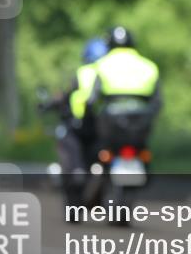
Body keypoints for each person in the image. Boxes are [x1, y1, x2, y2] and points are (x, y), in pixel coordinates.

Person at [51, 37, 110, 204]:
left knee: (70, 154)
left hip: (79, 125)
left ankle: (76, 175)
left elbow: (67, 97)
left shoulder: (82, 73)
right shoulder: (110, 72)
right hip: (104, 128)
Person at [84, 26, 162, 127]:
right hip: (140, 121)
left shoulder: (100, 65)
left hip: (111, 121)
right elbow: (157, 102)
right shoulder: (150, 66)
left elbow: (92, 100)